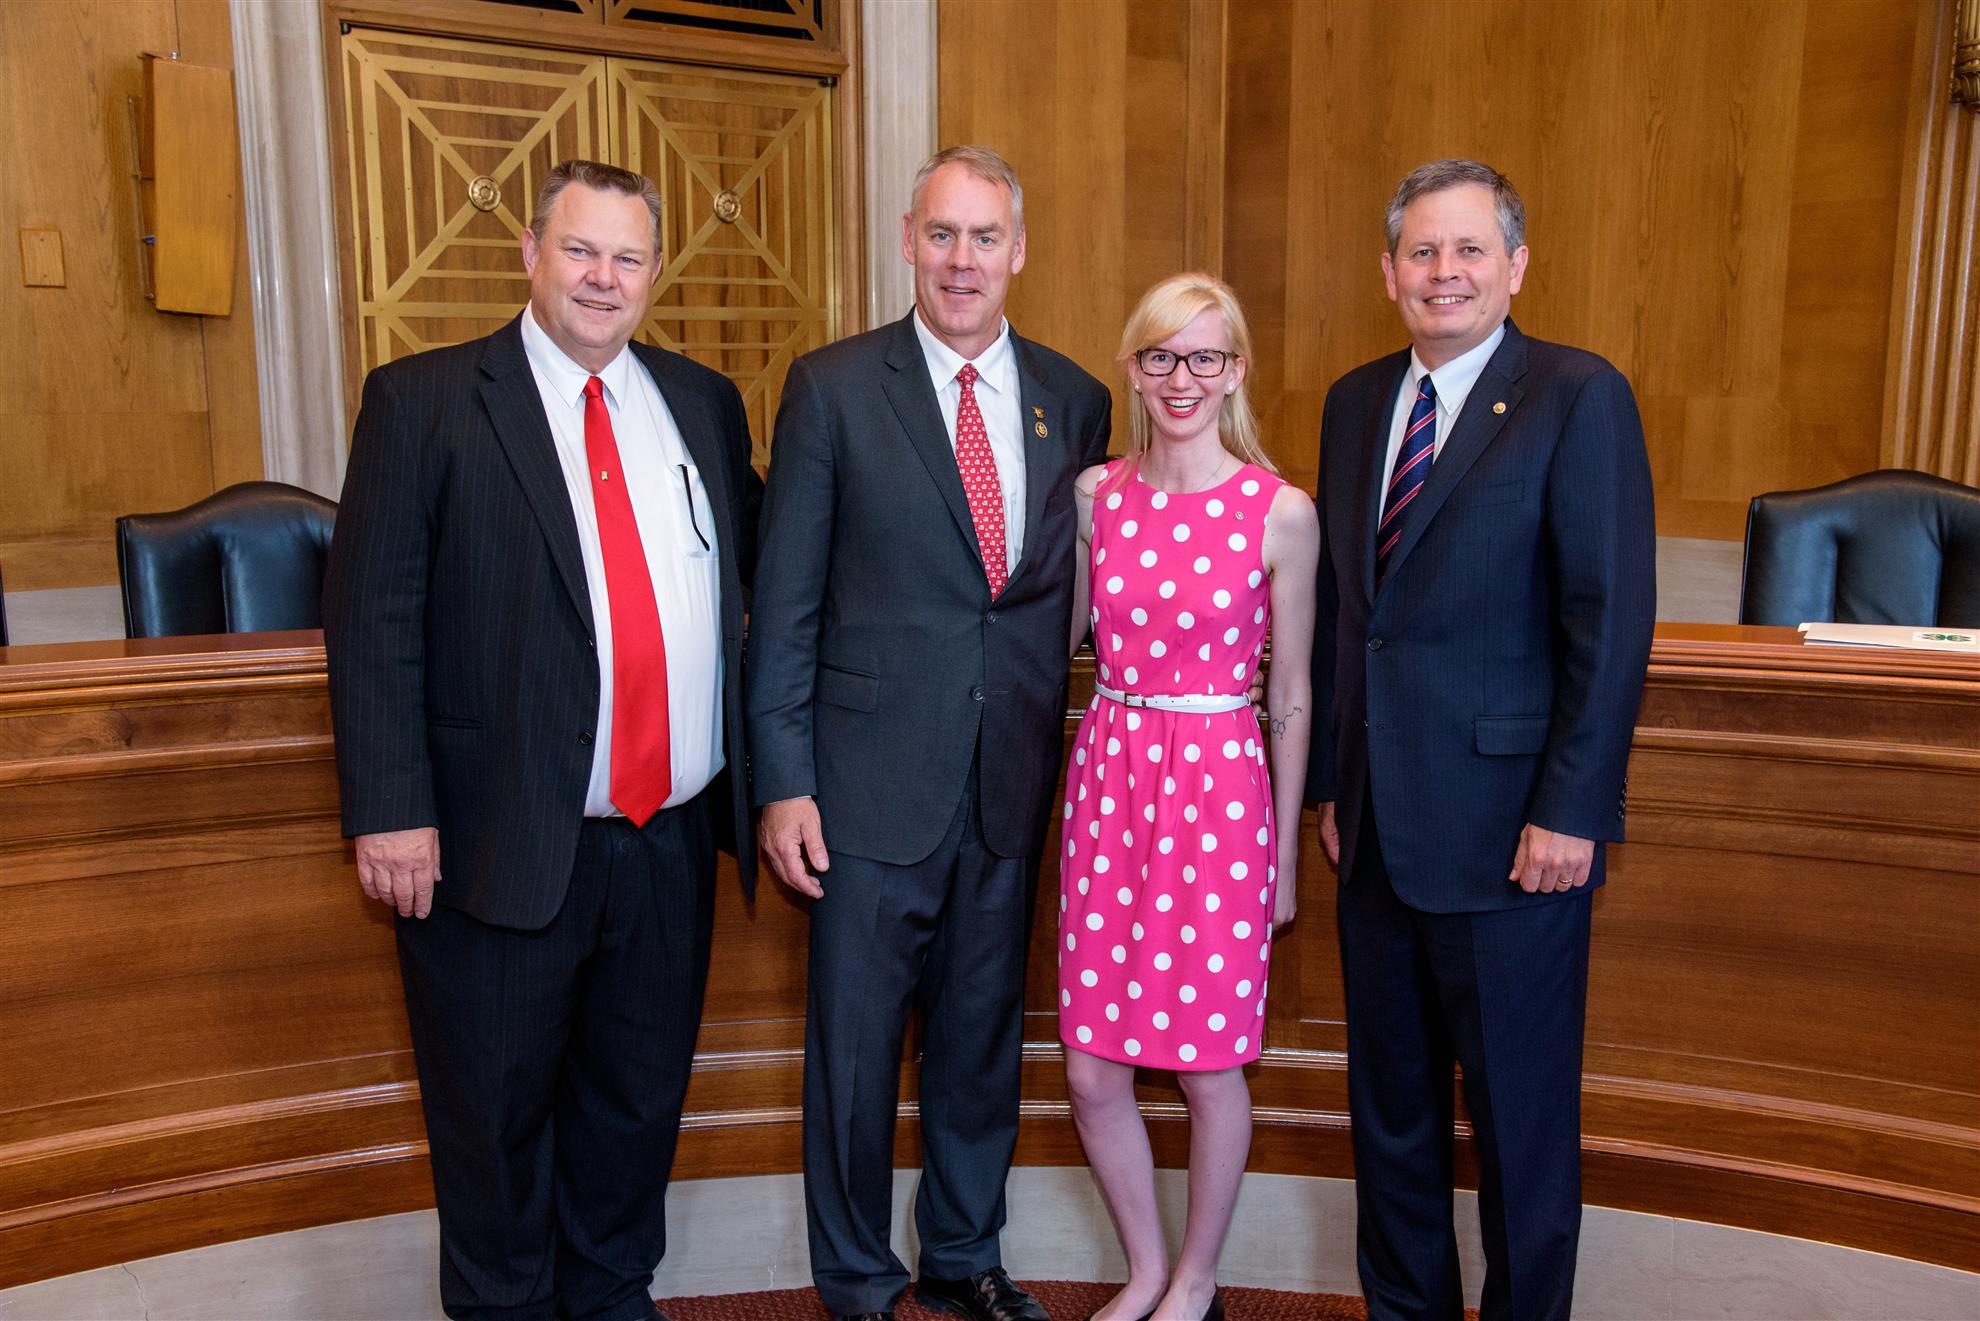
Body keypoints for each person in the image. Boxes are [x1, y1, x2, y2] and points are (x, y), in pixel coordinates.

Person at [322, 159, 760, 1321]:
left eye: (627, 257)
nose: (602, 278)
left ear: (654, 274)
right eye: (580, 249)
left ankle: (612, 1295)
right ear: (529, 252)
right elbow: (371, 619)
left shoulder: (702, 402)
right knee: (494, 1119)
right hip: (497, 836)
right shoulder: (424, 402)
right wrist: (390, 808)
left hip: (668, 838)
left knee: (636, 1103)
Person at [746, 144, 1112, 1321]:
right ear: (908, 241)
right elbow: (785, 605)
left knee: (980, 1037)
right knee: (854, 1054)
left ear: (1020, 251)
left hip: (1009, 782)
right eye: (942, 234)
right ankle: (858, 1280)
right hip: (862, 786)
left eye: (985, 237)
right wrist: (783, 780)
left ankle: (964, 1253)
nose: (963, 260)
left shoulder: (1075, 399)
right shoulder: (834, 387)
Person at [1306, 159, 1656, 1320]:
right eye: (1422, 251)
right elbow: (1345, 614)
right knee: (1391, 1123)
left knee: (1521, 1133)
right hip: (1375, 835)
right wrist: (1329, 784)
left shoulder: (1576, 395)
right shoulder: (1356, 402)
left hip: (1516, 844)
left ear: (1516, 267)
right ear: (1389, 272)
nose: (1443, 271)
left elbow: (1608, 620)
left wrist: (1572, 807)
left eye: (1468, 250)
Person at [1059, 274, 1318, 1321]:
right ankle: (1146, 1269)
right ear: (1133, 367)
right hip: (1110, 779)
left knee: (1209, 1065)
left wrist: (1284, 854)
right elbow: (1056, 639)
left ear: (1236, 370)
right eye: (1161, 355)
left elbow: (1291, 694)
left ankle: (1197, 1280)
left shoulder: (1280, 511)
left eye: (1204, 357)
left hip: (1218, 794)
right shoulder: (1096, 496)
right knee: (1092, 1067)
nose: (1182, 377)